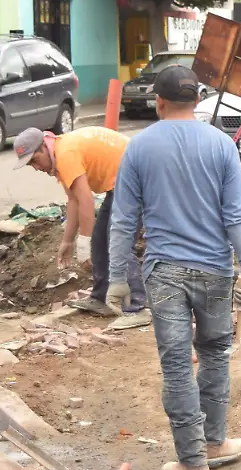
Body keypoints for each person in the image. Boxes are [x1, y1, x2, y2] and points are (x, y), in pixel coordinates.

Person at [107, 65, 241, 470]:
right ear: (196, 101)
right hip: (215, 270)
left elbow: (123, 221)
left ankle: (193, 462)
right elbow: (236, 217)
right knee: (213, 353)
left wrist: (118, 276)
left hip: (165, 273)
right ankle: (214, 443)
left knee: (176, 363)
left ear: (158, 102)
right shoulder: (221, 146)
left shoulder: (139, 148)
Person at [13, 126, 150, 330]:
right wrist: (67, 241)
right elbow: (74, 201)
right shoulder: (59, 154)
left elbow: (86, 200)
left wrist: (83, 242)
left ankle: (137, 308)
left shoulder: (65, 154)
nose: (36, 168)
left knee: (118, 242)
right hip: (123, 182)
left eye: (34, 160)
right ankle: (102, 298)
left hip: (139, 179)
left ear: (43, 148)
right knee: (100, 239)